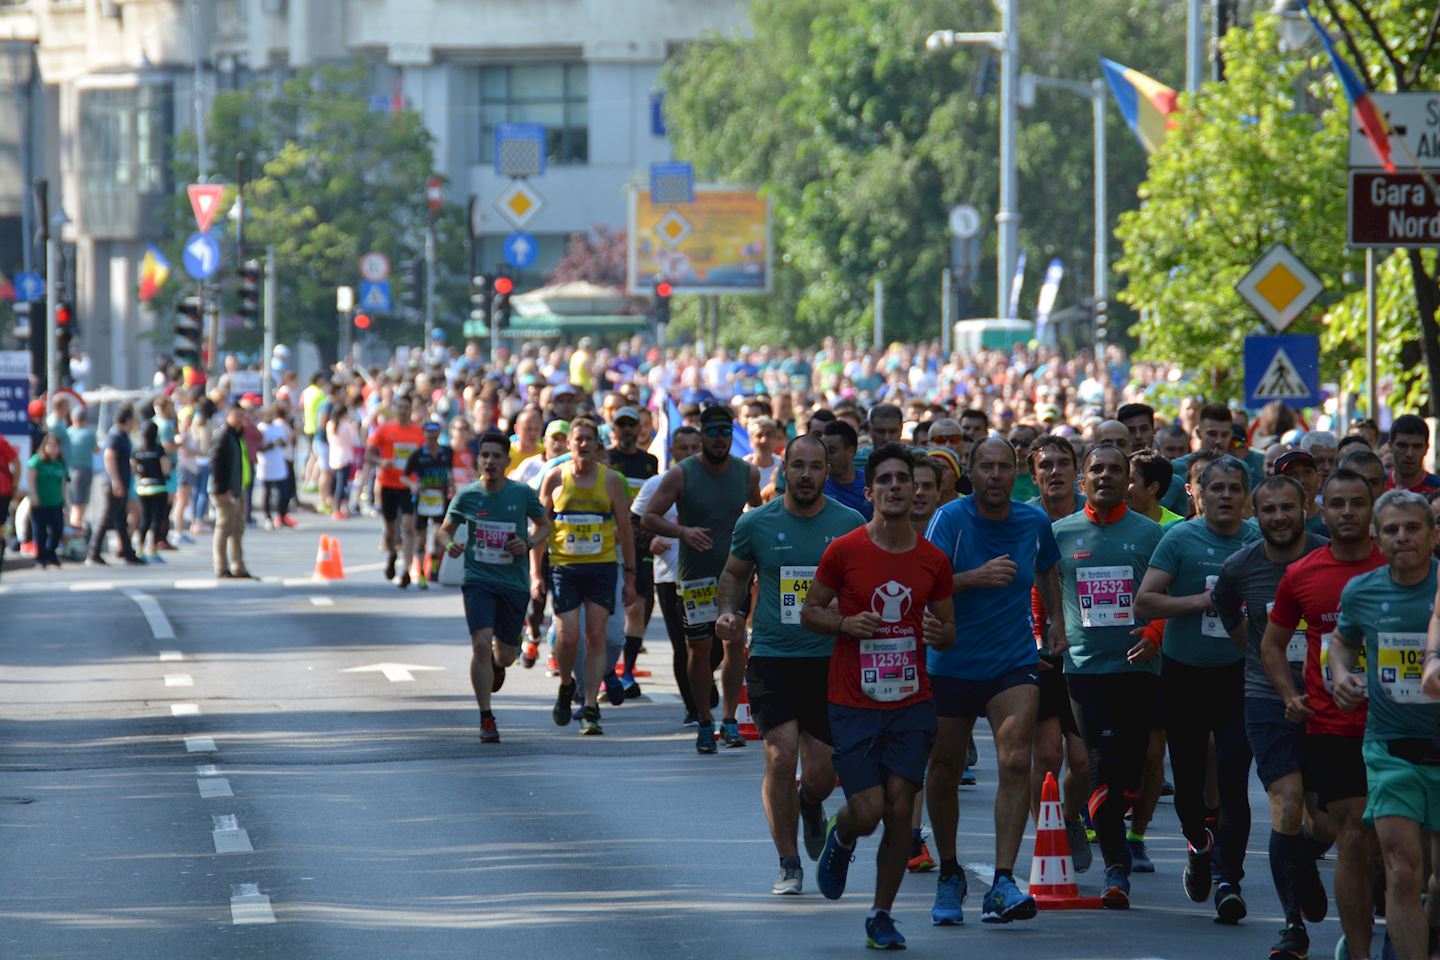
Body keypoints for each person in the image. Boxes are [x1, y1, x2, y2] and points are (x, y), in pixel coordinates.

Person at [804, 444, 956, 950]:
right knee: (866, 810)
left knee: (898, 809)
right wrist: (846, 623)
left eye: (903, 480)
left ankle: (881, 914)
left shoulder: (933, 559)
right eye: (885, 480)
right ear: (869, 492)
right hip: (852, 700)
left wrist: (939, 634)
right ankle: (841, 833)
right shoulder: (844, 550)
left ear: (917, 492)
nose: (895, 487)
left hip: (913, 701)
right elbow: (810, 612)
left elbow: (948, 627)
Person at [921, 435, 1062, 926]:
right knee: (942, 768)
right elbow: (926, 582)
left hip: (1012, 659)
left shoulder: (1034, 520)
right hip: (952, 660)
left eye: (1004, 467)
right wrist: (975, 577)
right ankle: (950, 870)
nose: (996, 476)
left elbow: (1048, 571)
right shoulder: (951, 519)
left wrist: (1057, 629)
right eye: (987, 467)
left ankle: (1003, 880)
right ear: (971, 471)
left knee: (1016, 757)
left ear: (1016, 469)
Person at [716, 433, 864, 896]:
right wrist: (727, 611)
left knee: (821, 774)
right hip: (774, 657)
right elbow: (734, 574)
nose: (804, 475)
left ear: (827, 470)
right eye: (796, 466)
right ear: (784, 469)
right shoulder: (757, 523)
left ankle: (809, 802)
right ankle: (788, 862)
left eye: (814, 467)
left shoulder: (851, 523)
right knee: (780, 755)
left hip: (830, 659)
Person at [1263, 468, 1386, 960]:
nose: (1348, 512)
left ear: (1372, 508)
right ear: (1322, 510)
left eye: (1358, 502)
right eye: (1337, 504)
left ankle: (1404, 933)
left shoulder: (1400, 568)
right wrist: (1287, 693)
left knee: (1395, 849)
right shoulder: (1303, 574)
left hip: (1402, 727)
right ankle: (1359, 950)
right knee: (1353, 839)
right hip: (1333, 727)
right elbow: (1272, 644)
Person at [1135, 455, 1261, 923]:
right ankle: (1198, 845)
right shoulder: (1181, 539)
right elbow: (1145, 601)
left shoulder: (1256, 541)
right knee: (1189, 791)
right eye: (1217, 489)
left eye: (1234, 488)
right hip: (1185, 676)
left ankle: (1230, 880)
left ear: (1246, 496)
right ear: (1200, 495)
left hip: (1238, 677)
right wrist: (1206, 601)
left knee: (1232, 779)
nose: (1225, 496)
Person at [1213, 475, 1330, 960]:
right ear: (1253, 516)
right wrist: (1259, 655)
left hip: (1329, 702)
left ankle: (1302, 859)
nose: (1279, 517)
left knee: (1325, 824)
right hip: (1266, 699)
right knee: (1286, 801)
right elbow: (1224, 606)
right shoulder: (1241, 566)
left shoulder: (1328, 556)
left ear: (1305, 507)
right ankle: (1291, 927)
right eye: (1268, 510)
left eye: (1288, 507)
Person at [1051, 443, 1166, 908]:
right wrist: (1047, 632)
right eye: (1096, 469)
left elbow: (1170, 595)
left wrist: (1156, 632)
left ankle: (1101, 822)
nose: (1105, 476)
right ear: (1083, 481)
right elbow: (1042, 593)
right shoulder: (1059, 533)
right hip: (1082, 669)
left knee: (1129, 769)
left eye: (1115, 470)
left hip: (1139, 669)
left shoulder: (1153, 534)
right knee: (1097, 765)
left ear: (1129, 482)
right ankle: (1116, 868)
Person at [1333, 490, 1440, 960]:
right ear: (1377, 537)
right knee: (1401, 869)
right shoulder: (1362, 591)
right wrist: (1341, 673)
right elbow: (1340, 642)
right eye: (1392, 530)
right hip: (1390, 748)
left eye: (1412, 528)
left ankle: (1426, 932)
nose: (1402, 538)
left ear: (1433, 535)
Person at [642, 405, 762, 753]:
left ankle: (729, 719)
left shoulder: (747, 473)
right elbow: (649, 518)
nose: (721, 439)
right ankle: (704, 721)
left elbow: (758, 513)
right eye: (714, 432)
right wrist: (682, 531)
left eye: (726, 432)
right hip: (694, 577)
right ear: (703, 434)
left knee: (734, 643)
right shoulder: (682, 474)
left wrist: (758, 556)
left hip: (734, 575)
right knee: (698, 649)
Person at [441, 430, 550, 743]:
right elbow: (444, 531)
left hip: (513, 583)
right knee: (479, 642)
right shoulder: (467, 495)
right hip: (478, 579)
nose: (489, 461)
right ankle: (486, 717)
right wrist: (449, 544)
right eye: (484, 455)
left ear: (506, 460)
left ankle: (496, 661)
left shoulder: (522, 494)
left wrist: (528, 543)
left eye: (496, 456)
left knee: (504, 656)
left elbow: (545, 525)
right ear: (478, 459)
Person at [538, 417, 637, 736]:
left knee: (596, 635)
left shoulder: (610, 480)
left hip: (602, 565)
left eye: (588, 439)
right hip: (564, 567)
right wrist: (533, 574)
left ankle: (591, 706)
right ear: (568, 444)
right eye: (577, 439)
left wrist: (631, 575)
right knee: (567, 637)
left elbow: (625, 529)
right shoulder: (554, 478)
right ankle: (567, 684)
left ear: (597, 445)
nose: (582, 444)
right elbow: (541, 529)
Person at [1025, 434, 1093, 872]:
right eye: (1045, 465)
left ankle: (1069, 817)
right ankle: (1043, 833)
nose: (1054, 471)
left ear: (1077, 471)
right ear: (1033, 475)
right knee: (1047, 754)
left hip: (1088, 650)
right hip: (1036, 650)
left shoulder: (1093, 517)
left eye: (1062, 463)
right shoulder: (1022, 520)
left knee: (1084, 760)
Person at [632, 427, 703, 724]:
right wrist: (649, 542)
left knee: (709, 645)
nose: (687, 454)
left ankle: (704, 681)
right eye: (682, 448)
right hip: (669, 576)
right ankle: (692, 705)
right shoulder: (657, 484)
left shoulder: (713, 483)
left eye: (693, 448)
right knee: (681, 644)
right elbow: (633, 524)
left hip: (707, 576)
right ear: (672, 451)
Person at [606, 405, 660, 696]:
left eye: (632, 424)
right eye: (621, 424)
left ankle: (627, 671)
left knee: (639, 607)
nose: (627, 430)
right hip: (608, 542)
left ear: (640, 428)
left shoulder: (650, 461)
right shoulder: (606, 459)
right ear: (613, 428)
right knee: (611, 609)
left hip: (640, 541)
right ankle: (607, 668)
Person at [366, 395, 425, 586]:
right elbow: (369, 455)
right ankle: (392, 554)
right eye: (399, 407)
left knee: (408, 526)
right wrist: (382, 462)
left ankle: (406, 569)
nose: (402, 411)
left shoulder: (419, 432)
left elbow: (424, 457)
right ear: (394, 409)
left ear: (411, 410)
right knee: (391, 530)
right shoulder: (384, 429)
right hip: (388, 483)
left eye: (406, 407)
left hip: (409, 484)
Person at [88, 404, 144, 566]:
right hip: (114, 484)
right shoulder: (116, 435)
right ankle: (93, 552)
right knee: (107, 518)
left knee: (120, 520)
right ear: (128, 419)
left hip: (122, 482)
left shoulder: (123, 436)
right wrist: (116, 480)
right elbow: (109, 456)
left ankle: (127, 552)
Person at [405, 421, 455, 590]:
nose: (431, 437)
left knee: (438, 536)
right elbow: (405, 476)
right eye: (428, 433)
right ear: (424, 434)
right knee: (421, 539)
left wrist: (452, 485)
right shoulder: (418, 454)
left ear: (439, 434)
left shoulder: (447, 452)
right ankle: (420, 574)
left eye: (435, 433)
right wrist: (413, 486)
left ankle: (433, 570)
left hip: (440, 500)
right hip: (423, 501)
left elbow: (450, 472)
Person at [209, 404, 254, 579]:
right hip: (225, 490)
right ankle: (221, 566)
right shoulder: (223, 435)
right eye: (236, 415)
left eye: (242, 415)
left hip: (237, 488)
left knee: (237, 528)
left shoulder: (237, 435)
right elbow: (216, 464)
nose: (240, 419)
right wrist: (222, 489)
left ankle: (238, 565)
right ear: (227, 416)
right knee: (224, 527)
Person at [27, 432, 67, 569]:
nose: (53, 448)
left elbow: (63, 483)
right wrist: (33, 495)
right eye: (50, 444)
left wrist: (64, 500)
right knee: (40, 531)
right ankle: (41, 558)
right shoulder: (37, 460)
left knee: (58, 529)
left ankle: (51, 553)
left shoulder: (59, 463)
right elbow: (31, 479)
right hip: (40, 502)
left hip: (55, 502)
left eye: (56, 445)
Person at [132, 421, 170, 563]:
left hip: (143, 487)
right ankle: (152, 548)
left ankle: (140, 548)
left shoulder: (137, 450)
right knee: (156, 519)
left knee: (144, 519)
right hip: (158, 487)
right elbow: (165, 468)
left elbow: (134, 469)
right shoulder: (158, 449)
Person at [822, 420, 871, 520]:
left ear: (851, 451)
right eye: (824, 450)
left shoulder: (870, 483)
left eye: (831, 451)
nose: (826, 456)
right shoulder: (819, 487)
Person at [257, 406, 294, 530]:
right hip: (266, 464)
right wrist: (272, 444)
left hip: (279, 462)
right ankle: (267, 516)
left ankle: (281, 515)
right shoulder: (261, 428)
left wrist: (280, 442)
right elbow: (260, 447)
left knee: (283, 491)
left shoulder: (278, 427)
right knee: (267, 492)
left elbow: (285, 442)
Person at [1385, 414, 1440, 494]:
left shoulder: (1437, 490)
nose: (1409, 454)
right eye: (1402, 446)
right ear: (1390, 446)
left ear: (1426, 448)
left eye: (1417, 447)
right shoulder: (1378, 486)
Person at [327, 403, 358, 519]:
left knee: (336, 484)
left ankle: (339, 508)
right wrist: (353, 427)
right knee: (342, 485)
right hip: (345, 457)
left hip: (334, 456)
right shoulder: (346, 426)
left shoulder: (330, 424)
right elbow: (352, 440)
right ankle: (337, 508)